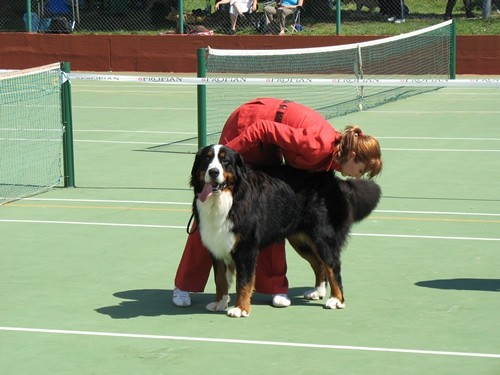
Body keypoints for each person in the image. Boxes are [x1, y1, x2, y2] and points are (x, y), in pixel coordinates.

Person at [172, 98, 382, 308]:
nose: (357, 178)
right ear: (352, 155)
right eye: (361, 171)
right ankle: (184, 284)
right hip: (248, 127)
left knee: (272, 210)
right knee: (209, 215)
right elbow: (263, 128)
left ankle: (274, 287)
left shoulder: (332, 157)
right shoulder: (317, 144)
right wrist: (226, 156)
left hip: (268, 144)